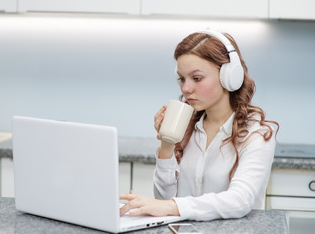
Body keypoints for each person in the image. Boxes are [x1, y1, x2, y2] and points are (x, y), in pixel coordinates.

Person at [119, 30, 279, 221]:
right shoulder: (187, 127)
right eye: (181, 79)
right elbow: (165, 201)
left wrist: (170, 206)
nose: (186, 89)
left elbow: (240, 201)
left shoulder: (257, 134)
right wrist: (167, 145)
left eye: (196, 78)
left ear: (229, 76)